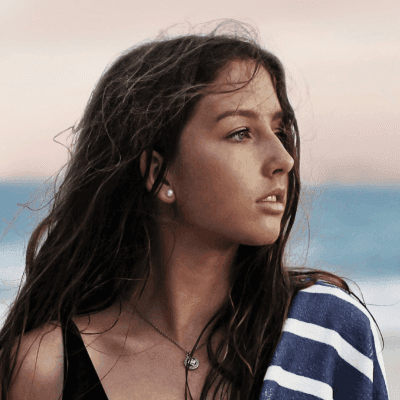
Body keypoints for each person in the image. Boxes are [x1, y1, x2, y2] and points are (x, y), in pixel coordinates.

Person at [0, 20, 389, 400]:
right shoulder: (48, 367)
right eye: (241, 133)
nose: (283, 159)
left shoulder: (326, 331)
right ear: (158, 173)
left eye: (280, 132)